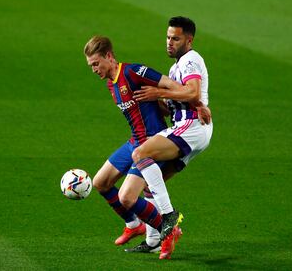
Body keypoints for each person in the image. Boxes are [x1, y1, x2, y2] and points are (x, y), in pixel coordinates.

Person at [84, 35, 197, 259]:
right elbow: (152, 107)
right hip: (135, 141)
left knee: (127, 198)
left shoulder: (133, 71)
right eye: (91, 66)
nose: (94, 69)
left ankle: (170, 231)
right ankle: (134, 225)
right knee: (101, 183)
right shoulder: (111, 84)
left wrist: (196, 105)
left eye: (96, 63)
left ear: (109, 56)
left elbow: (170, 84)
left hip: (152, 143)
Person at [125, 16, 213, 255]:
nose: (169, 42)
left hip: (191, 126)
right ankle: (154, 242)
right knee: (151, 182)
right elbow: (172, 105)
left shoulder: (190, 60)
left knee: (140, 153)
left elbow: (193, 91)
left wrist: (158, 91)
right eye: (167, 37)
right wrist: (148, 99)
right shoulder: (175, 67)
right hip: (190, 126)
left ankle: (168, 216)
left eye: (175, 38)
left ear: (189, 40)